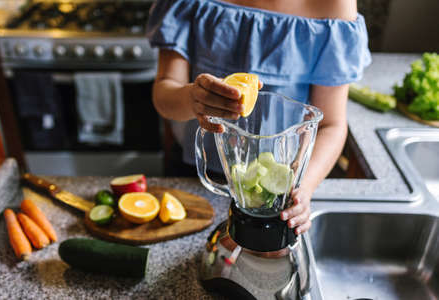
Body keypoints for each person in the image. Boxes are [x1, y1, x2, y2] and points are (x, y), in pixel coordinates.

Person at [147, 0, 371, 235]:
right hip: (192, 175)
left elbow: (331, 125)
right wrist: (191, 99)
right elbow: (165, 94)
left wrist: (301, 189)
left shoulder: (335, 5)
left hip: (276, 192)